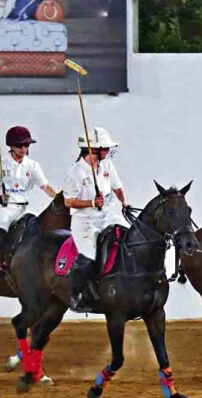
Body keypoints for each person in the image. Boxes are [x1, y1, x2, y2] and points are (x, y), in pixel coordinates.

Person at [0, 125, 56, 289]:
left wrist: (58, 198)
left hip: (23, 209)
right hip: (4, 208)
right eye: (20, 146)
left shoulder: (32, 165)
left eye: (26, 145)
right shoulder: (1, 164)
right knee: (0, 230)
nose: (24, 149)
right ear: (12, 146)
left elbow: (45, 186)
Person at [63, 127, 129, 311]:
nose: (107, 151)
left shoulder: (107, 165)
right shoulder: (76, 171)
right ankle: (76, 296)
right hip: (85, 221)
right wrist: (91, 202)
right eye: (104, 148)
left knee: (129, 238)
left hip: (107, 215)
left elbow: (118, 187)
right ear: (92, 149)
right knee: (90, 255)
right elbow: (68, 201)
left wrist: (125, 202)